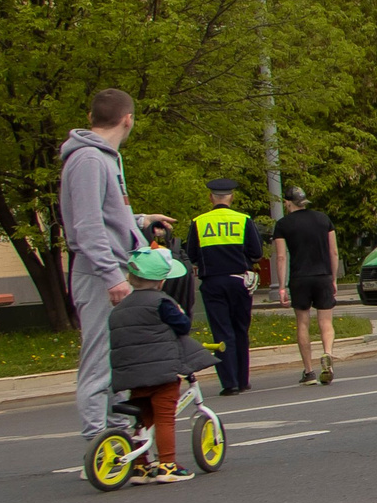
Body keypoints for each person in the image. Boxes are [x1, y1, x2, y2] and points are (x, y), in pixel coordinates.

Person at [60, 90, 162, 441]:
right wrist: (111, 275)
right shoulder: (88, 159)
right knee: (99, 359)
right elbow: (86, 227)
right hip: (99, 272)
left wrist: (140, 221)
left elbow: (106, 215)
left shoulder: (107, 158)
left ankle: (120, 436)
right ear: (128, 119)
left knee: (118, 358)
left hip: (115, 268)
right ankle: (97, 443)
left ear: (92, 118)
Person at [108, 246, 215, 482]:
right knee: (165, 417)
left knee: (144, 417)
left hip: (132, 374)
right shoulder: (162, 303)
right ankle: (167, 464)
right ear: (161, 281)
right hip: (162, 374)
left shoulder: (120, 308)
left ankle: (140, 466)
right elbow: (183, 326)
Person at [188, 179, 260, 398]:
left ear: (211, 197)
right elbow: (256, 252)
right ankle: (243, 380)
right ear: (232, 198)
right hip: (239, 281)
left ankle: (229, 384)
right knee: (240, 329)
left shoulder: (199, 222)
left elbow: (191, 255)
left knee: (222, 331)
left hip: (213, 283)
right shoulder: (243, 220)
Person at [271, 183, 340, 386]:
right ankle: (327, 355)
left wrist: (282, 287)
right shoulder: (322, 219)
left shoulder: (283, 225)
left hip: (300, 278)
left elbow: (281, 257)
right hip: (323, 276)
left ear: (287, 203)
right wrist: (333, 278)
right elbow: (333, 252)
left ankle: (309, 371)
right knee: (326, 323)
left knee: (302, 323)